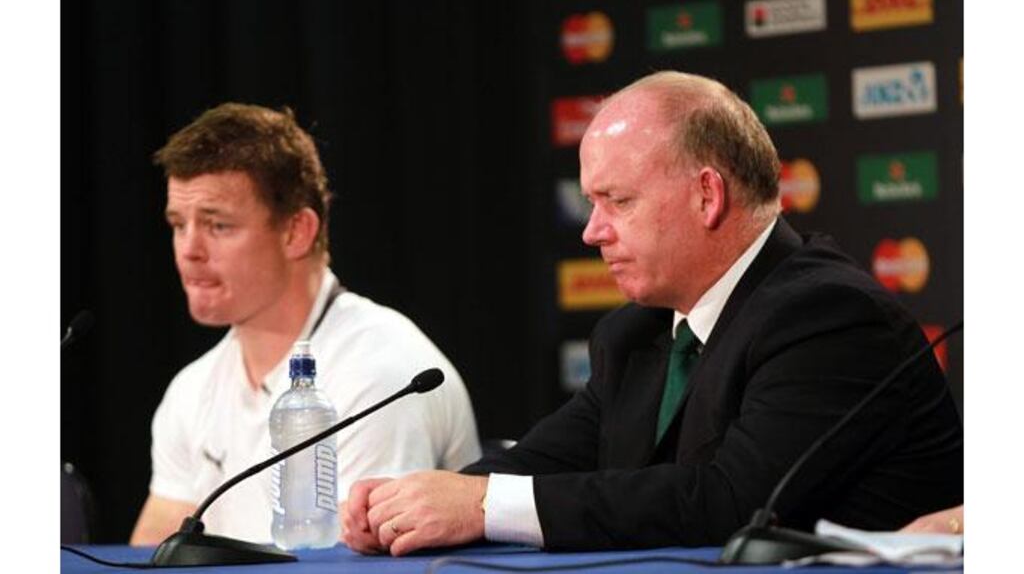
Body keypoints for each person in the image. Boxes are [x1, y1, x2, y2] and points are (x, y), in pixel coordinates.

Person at [341, 71, 963, 555]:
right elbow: (543, 460)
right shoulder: (635, 332)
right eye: (591, 202)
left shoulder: (828, 315)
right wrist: (412, 503)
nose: (591, 232)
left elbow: (731, 502)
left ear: (707, 195)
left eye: (617, 200)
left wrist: (478, 507)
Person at [130, 103, 481, 545]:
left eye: (218, 226)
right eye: (179, 225)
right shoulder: (192, 389)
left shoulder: (380, 376)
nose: (189, 250)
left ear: (297, 231)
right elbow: (148, 557)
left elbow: (355, 567)